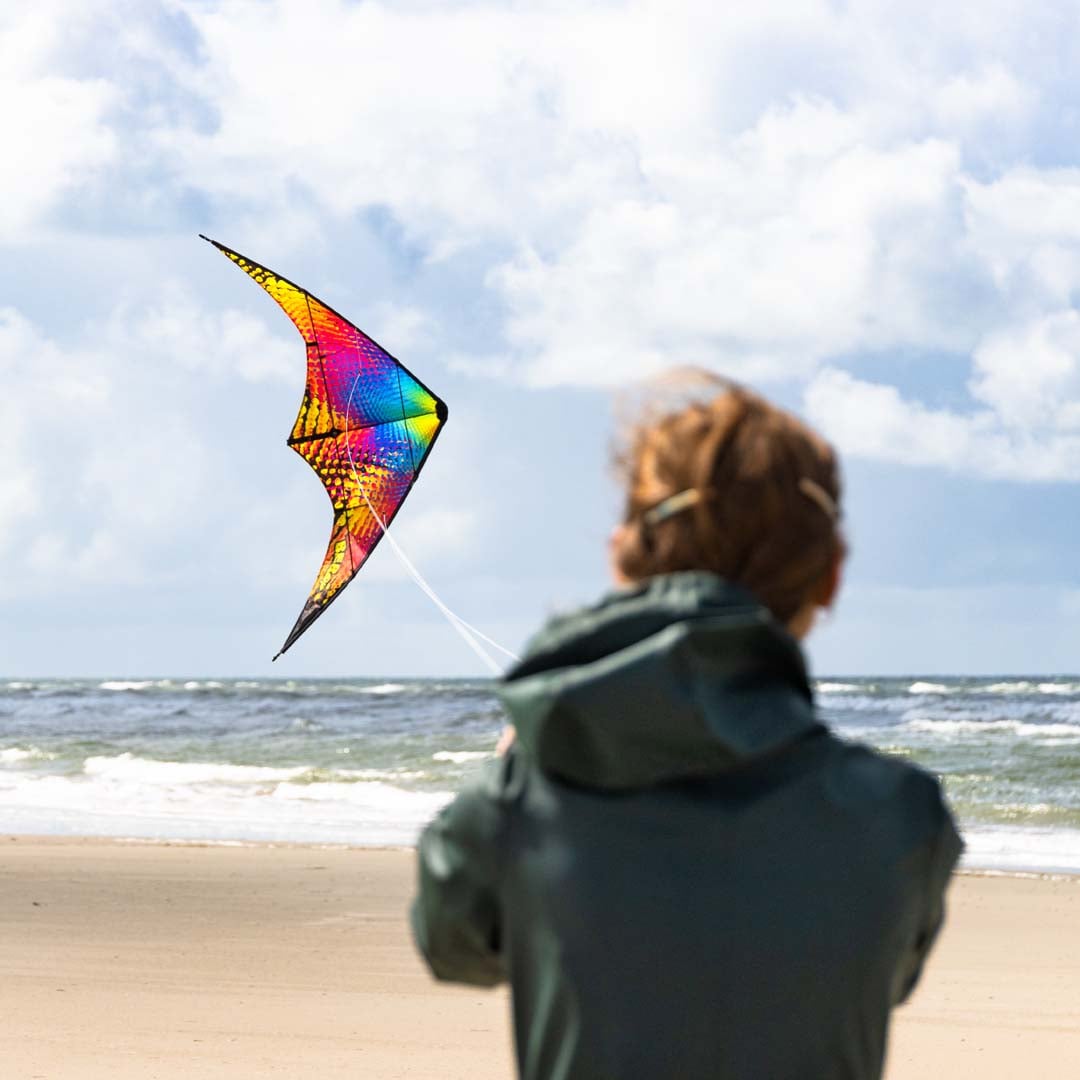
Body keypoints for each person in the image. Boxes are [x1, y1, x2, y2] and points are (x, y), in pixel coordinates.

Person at [410, 374, 962, 1080]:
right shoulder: (900, 817)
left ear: (623, 555)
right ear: (830, 577)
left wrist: (511, 773)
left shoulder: (518, 802)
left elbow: (452, 942)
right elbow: (883, 972)